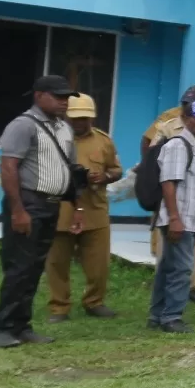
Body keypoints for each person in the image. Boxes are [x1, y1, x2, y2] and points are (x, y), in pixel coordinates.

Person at [0, 76, 82, 348]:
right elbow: (8, 167)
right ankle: (2, 328)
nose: (64, 101)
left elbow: (71, 171)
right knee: (19, 267)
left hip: (52, 204)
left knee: (34, 268)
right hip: (28, 203)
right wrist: (18, 210)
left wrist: (76, 207)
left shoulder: (64, 129)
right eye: (58, 96)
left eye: (67, 97)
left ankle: (22, 327)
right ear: (39, 96)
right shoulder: (23, 125)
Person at [45, 94, 123, 322]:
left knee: (98, 264)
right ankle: (59, 307)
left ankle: (94, 302)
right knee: (57, 263)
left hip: (94, 209)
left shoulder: (103, 140)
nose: (80, 122)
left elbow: (117, 170)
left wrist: (105, 176)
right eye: (76, 117)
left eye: (85, 118)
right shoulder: (53, 139)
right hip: (61, 210)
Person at [143, 86, 195, 301]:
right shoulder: (175, 139)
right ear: (186, 116)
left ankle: (164, 310)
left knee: (185, 259)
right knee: (177, 266)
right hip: (177, 210)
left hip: (194, 204)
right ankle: (171, 315)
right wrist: (175, 217)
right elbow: (167, 179)